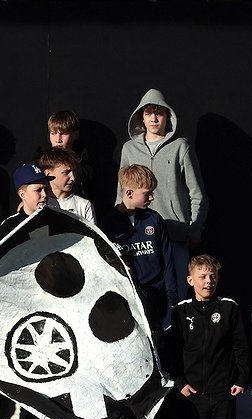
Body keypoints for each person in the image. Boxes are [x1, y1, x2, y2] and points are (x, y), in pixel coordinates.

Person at [167, 254, 249, 419]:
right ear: (190, 280)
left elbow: (241, 347)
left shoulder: (228, 307)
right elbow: (173, 353)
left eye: (212, 276)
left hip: (223, 390)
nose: (208, 281)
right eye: (202, 276)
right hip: (192, 392)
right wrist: (179, 383)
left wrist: (241, 379)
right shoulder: (180, 312)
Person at [118, 90, 206, 282]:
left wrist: (195, 228)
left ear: (168, 116)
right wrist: (119, 227)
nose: (154, 118)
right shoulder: (129, 149)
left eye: (159, 113)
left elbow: (197, 193)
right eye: (149, 113)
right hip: (139, 236)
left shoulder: (181, 146)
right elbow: (122, 192)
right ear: (141, 116)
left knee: (176, 291)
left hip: (175, 234)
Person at [100, 164, 179, 332]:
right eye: (147, 193)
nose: (152, 198)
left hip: (157, 297)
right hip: (128, 299)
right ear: (129, 193)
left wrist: (172, 301)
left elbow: (168, 262)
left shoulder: (155, 220)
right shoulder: (108, 224)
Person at [40, 148, 96, 228]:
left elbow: (93, 239)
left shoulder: (83, 205)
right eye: (66, 172)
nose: (72, 178)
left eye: (74, 171)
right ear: (48, 173)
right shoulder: (39, 203)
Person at [46, 110, 95, 198]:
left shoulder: (84, 166)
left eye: (63, 134)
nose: (58, 140)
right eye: (53, 133)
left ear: (75, 134)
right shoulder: (41, 163)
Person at [0, 163, 53, 237]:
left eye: (46, 189)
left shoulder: (56, 219)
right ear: (22, 195)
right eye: (38, 190)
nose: (44, 195)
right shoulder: (10, 226)